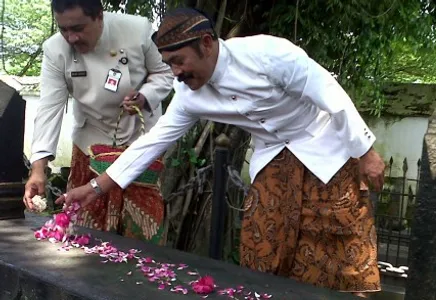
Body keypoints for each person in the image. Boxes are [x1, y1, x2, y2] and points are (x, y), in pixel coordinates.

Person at [58, 7, 385, 298]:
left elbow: (328, 92)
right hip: (272, 156)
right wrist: (95, 187)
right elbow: (153, 141)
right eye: (169, 63)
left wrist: (366, 152)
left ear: (206, 44)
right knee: (263, 242)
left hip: (323, 143)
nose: (176, 72)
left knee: (340, 235)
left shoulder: (268, 54)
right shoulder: (187, 94)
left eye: (179, 60)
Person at [23, 0, 175, 246]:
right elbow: (50, 106)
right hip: (90, 143)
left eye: (78, 28)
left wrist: (145, 96)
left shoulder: (137, 30)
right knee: (84, 228)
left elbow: (165, 72)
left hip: (139, 140)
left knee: (141, 234)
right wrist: (38, 168)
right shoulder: (55, 50)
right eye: (64, 30)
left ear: (99, 17)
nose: (71, 37)